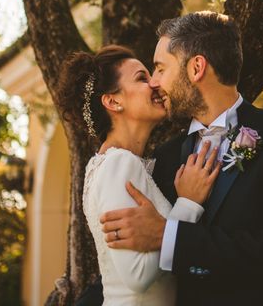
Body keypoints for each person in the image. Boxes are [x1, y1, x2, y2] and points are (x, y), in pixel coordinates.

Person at [93, 11, 263, 305]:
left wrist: (170, 236)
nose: (154, 83)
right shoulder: (164, 157)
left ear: (196, 68)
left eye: (161, 69)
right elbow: (122, 268)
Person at [55, 45, 221, 305]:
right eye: (142, 78)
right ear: (113, 101)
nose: (155, 83)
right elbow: (137, 275)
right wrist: (188, 204)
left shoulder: (116, 164)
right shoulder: (119, 164)